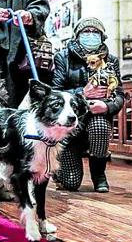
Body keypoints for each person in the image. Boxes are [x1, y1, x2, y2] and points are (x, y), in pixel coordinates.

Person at [52, 17, 124, 193]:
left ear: (102, 36)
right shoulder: (63, 57)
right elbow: (55, 93)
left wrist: (107, 107)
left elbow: (120, 95)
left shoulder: (111, 60)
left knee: (100, 125)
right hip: (71, 124)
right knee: (71, 184)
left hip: (96, 119)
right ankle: (60, 169)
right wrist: (82, 93)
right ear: (77, 35)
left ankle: (98, 174)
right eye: (86, 32)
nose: (90, 35)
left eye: (95, 32)